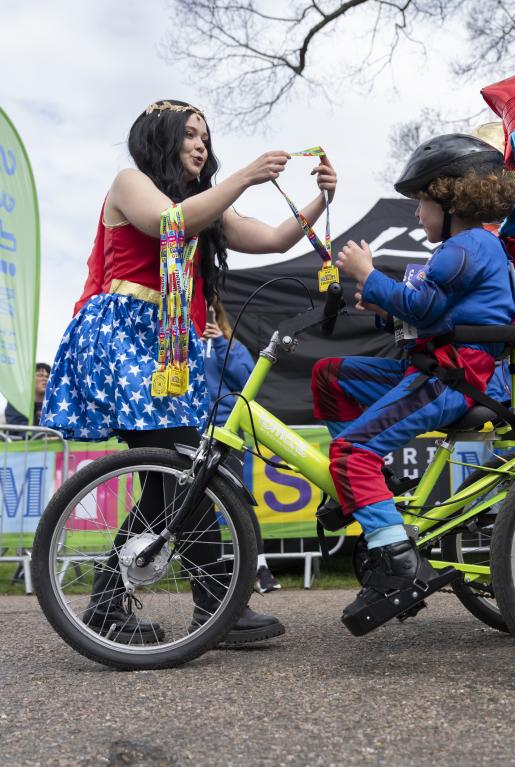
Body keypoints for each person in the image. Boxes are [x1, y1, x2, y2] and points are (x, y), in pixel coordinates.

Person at [41, 99, 336, 644]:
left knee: (168, 482)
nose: (201, 144)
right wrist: (246, 175)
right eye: (189, 134)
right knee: (183, 469)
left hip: (165, 351)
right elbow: (167, 223)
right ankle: (219, 607)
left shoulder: (204, 204)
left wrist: (322, 198)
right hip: (123, 338)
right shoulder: (130, 182)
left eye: (205, 136)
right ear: (161, 139)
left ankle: (112, 606)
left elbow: (272, 239)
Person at [311, 134, 515, 634]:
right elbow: (426, 317)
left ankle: (397, 564)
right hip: (431, 365)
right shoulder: (466, 248)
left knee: (350, 454)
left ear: (450, 200)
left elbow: (424, 308)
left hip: (454, 377)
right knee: (329, 375)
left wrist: (369, 274)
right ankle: (365, 484)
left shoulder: (465, 247)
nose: (417, 214)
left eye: (422, 203)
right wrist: (385, 308)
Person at [202, 296, 281, 594]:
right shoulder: (179, 344)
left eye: (211, 310)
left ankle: (259, 568)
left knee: (237, 499)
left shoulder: (231, 345)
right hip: (194, 432)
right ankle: (210, 579)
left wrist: (222, 344)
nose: (206, 315)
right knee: (195, 505)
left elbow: (249, 382)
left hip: (227, 434)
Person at [4, 362, 50, 427]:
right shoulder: (16, 401)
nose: (45, 379)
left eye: (48, 376)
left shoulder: (55, 403)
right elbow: (18, 426)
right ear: (30, 378)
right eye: (40, 375)